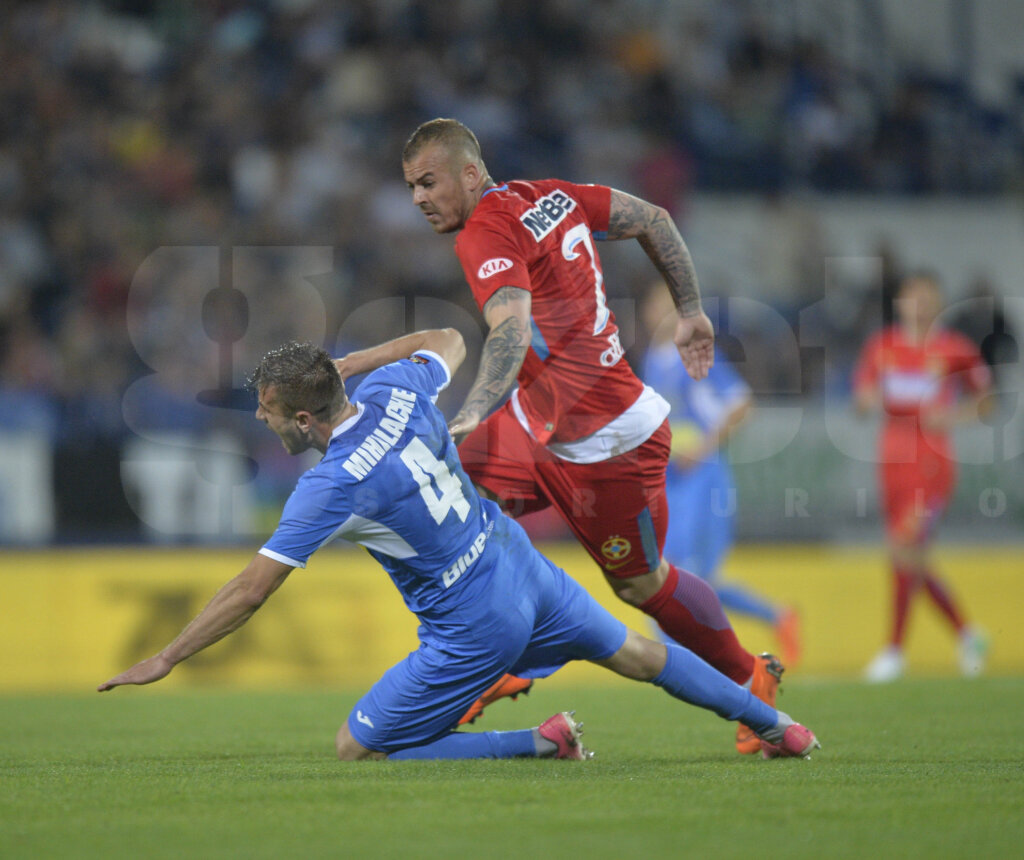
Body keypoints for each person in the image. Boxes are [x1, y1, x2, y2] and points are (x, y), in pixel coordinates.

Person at [97, 330, 820, 762]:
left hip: (475, 621)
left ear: (306, 416)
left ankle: (543, 742)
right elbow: (447, 340)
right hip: (518, 562)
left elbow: (251, 589)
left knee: (359, 745)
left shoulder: (328, 487)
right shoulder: (396, 388)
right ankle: (780, 728)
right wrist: (358, 362)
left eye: (270, 411)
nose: (262, 420)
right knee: (638, 653)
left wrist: (166, 656)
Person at [400, 117, 781, 754]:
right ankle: (491, 663)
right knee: (456, 502)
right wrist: (690, 312)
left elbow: (512, 331)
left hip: (608, 445)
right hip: (541, 422)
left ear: (471, 173)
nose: (418, 198)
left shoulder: (485, 232)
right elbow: (654, 218)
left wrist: (471, 411)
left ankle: (750, 676)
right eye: (411, 186)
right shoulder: (550, 194)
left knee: (642, 585)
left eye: (429, 182)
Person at [638, 281, 800, 666]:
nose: (659, 313)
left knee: (686, 577)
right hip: (670, 479)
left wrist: (703, 447)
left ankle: (688, 663)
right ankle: (776, 618)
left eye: (667, 305)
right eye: (654, 305)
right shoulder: (651, 360)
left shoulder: (694, 354)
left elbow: (742, 404)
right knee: (684, 576)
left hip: (703, 478)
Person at [853, 271, 992, 683]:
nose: (920, 304)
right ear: (899, 302)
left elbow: (987, 400)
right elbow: (861, 397)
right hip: (892, 462)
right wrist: (865, 400)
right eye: (912, 296)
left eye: (928, 297)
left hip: (932, 463)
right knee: (908, 557)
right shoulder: (881, 347)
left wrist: (952, 415)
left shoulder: (955, 349)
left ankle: (894, 652)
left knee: (904, 547)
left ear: (939, 303)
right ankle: (968, 634)